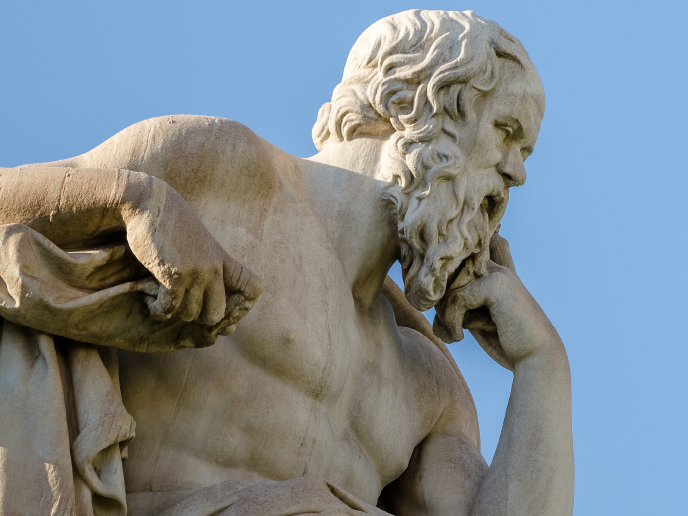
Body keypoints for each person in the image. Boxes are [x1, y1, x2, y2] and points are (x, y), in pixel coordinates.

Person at [0, 9, 573, 516]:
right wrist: (131, 200)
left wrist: (542, 363)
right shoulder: (229, 172)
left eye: (524, 152)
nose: (517, 173)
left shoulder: (425, 381)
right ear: (418, 108)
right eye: (505, 133)